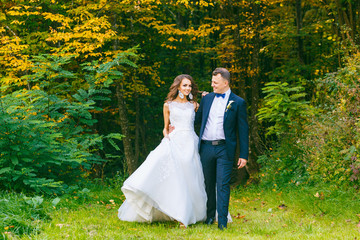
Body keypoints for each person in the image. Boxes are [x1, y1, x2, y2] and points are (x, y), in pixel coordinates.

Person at [118, 74, 207, 227]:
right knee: (177, 178)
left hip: (191, 142)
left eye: (190, 86)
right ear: (178, 86)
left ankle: (191, 213)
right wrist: (168, 137)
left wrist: (206, 98)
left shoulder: (195, 105)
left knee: (191, 178)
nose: (188, 88)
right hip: (175, 141)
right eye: (185, 85)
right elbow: (165, 129)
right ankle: (180, 215)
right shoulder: (168, 105)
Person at [195, 67, 249, 230]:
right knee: (208, 183)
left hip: (224, 149)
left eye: (215, 82)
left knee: (223, 185)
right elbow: (196, 120)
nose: (212, 85)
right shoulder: (207, 99)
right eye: (212, 82)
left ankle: (223, 221)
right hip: (205, 148)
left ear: (225, 83)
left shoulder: (238, 102)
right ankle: (210, 216)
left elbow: (243, 130)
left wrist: (244, 154)